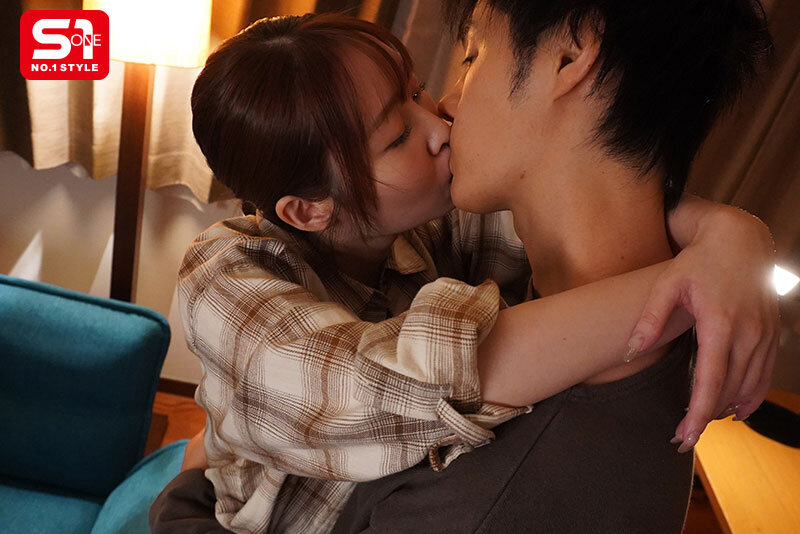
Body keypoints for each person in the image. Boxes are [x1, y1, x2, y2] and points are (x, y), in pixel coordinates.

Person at [149, 7, 777, 534]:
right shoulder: (226, 270)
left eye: (429, 84)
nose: (444, 115)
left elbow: (583, 207)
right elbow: (397, 381)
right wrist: (690, 285)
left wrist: (729, 234)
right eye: (398, 135)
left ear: (570, 57)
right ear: (309, 209)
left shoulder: (433, 229)